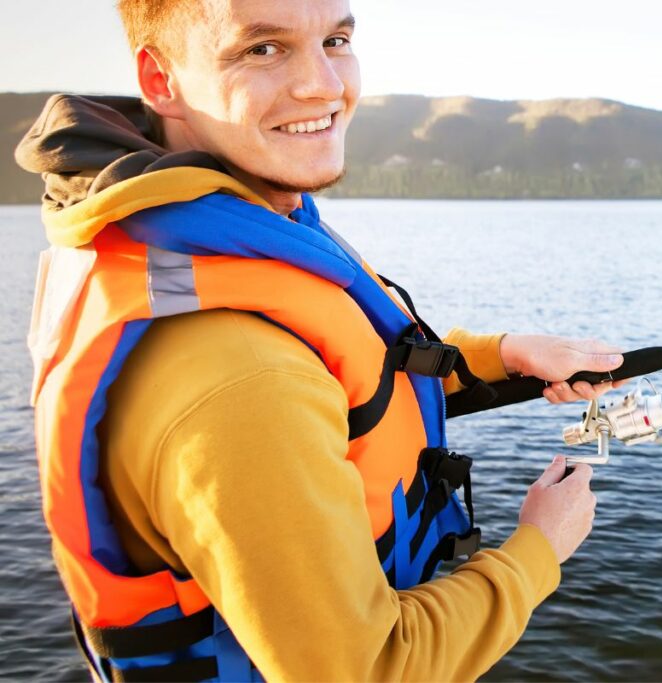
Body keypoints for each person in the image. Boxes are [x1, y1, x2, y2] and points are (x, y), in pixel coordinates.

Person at [15, 0, 626, 680]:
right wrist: (540, 546)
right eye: (263, 50)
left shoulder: (217, 219)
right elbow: (365, 669)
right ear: (161, 81)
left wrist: (499, 356)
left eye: (335, 39)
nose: (324, 85)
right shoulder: (237, 379)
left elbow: (346, 378)